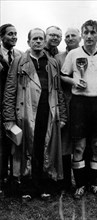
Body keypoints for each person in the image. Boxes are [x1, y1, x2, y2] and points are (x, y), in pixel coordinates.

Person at [3, 28, 67, 201]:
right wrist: (9, 118)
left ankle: (43, 186)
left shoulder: (52, 62)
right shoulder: (19, 61)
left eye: (41, 38)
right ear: (29, 41)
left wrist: (62, 115)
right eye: (35, 38)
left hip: (48, 113)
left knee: (44, 148)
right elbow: (10, 90)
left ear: (44, 41)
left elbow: (58, 90)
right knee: (25, 150)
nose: (38, 41)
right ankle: (26, 187)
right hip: (25, 113)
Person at [61, 20, 97, 199]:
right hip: (80, 103)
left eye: (93, 32)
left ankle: (95, 184)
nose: (89, 36)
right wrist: (73, 81)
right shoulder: (73, 54)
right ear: (82, 35)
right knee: (80, 146)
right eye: (86, 33)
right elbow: (63, 76)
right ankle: (80, 185)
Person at [55, 28, 81, 192]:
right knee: (64, 143)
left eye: (73, 35)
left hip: (84, 103)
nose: (70, 38)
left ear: (80, 37)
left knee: (81, 142)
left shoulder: (87, 54)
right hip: (65, 102)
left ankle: (82, 181)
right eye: (67, 36)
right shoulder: (58, 58)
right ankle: (64, 182)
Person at [0, 24, 22, 197]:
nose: (14, 37)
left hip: (12, 105)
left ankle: (12, 178)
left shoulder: (19, 55)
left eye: (15, 34)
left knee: (13, 140)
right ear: (2, 37)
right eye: (10, 34)